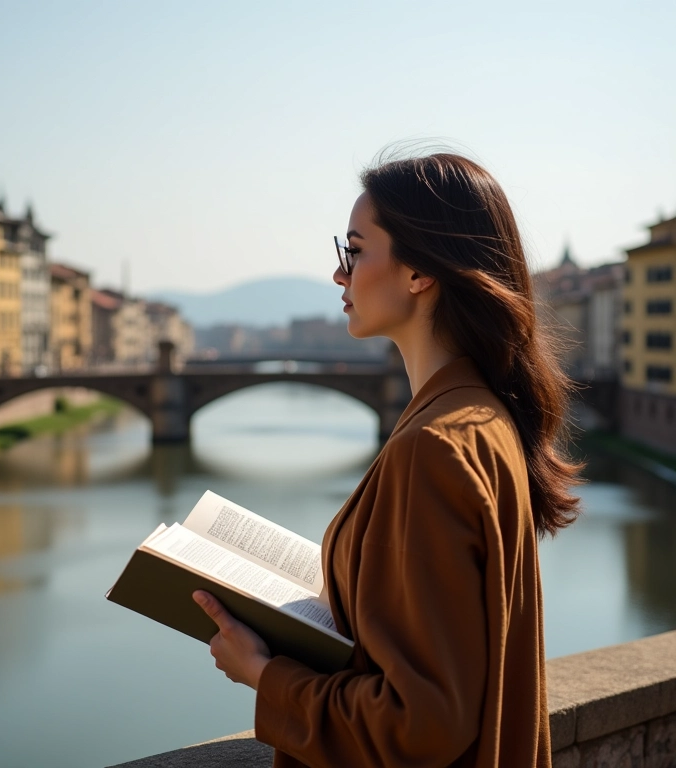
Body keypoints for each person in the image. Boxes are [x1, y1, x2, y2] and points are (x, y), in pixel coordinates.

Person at [193, 152, 583, 767]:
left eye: (355, 250)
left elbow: (420, 725)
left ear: (420, 271)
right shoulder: (482, 417)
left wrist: (265, 676)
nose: (338, 274)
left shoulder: (433, 446)